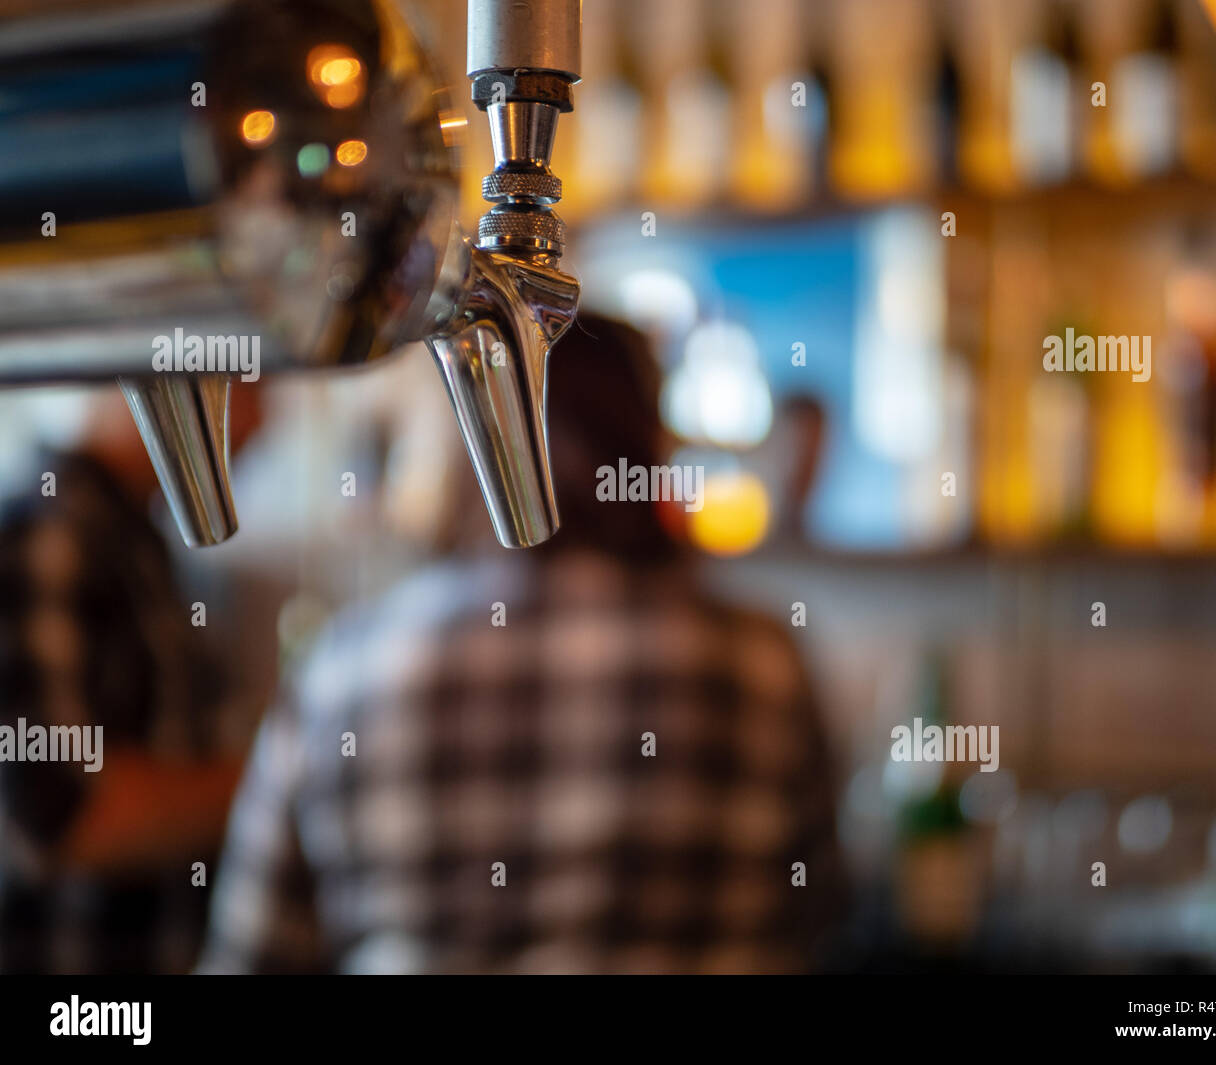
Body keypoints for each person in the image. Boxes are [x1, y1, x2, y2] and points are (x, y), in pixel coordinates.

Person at [201, 314, 846, 974]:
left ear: (467, 441)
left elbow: (256, 950)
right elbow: (821, 907)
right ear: (644, 446)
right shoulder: (761, 664)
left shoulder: (344, 670)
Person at [0, 382, 261, 973]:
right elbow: (59, 816)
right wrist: (268, 782)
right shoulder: (51, 533)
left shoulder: (129, 533)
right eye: (250, 388)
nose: (261, 424)